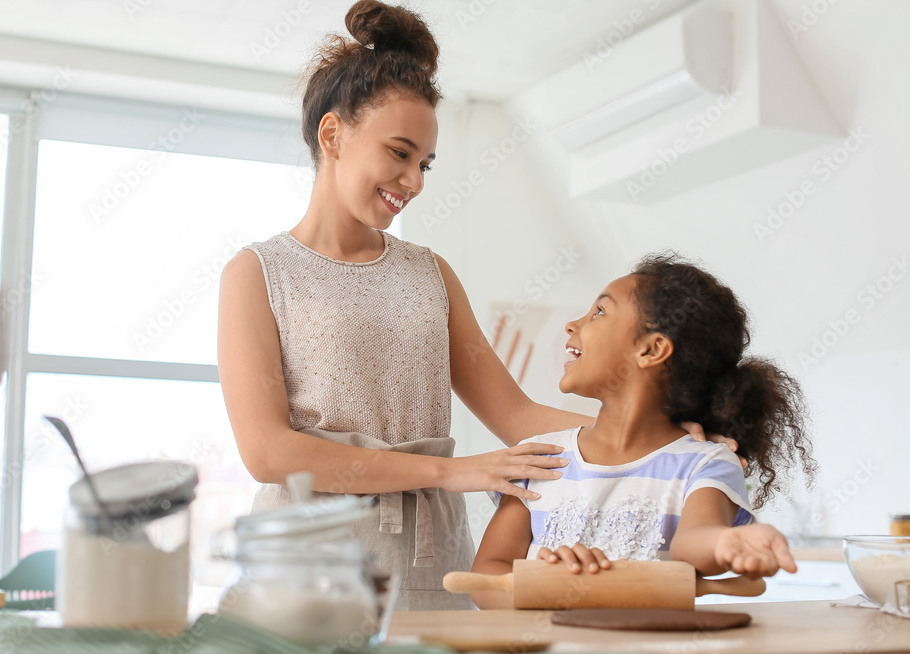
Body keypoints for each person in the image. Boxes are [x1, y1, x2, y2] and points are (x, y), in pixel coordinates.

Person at [217, 1, 740, 611]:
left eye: (425, 163)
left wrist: (655, 437)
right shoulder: (258, 274)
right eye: (399, 152)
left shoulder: (430, 273)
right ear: (333, 134)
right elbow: (268, 452)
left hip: (431, 562)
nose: (413, 181)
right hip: (304, 569)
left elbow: (514, 414)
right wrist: (451, 472)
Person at [468, 252, 818, 609]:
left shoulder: (704, 463)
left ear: (651, 349)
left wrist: (726, 545)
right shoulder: (538, 457)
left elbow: (694, 542)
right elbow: (484, 575)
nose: (572, 324)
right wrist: (545, 587)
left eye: (599, 312)